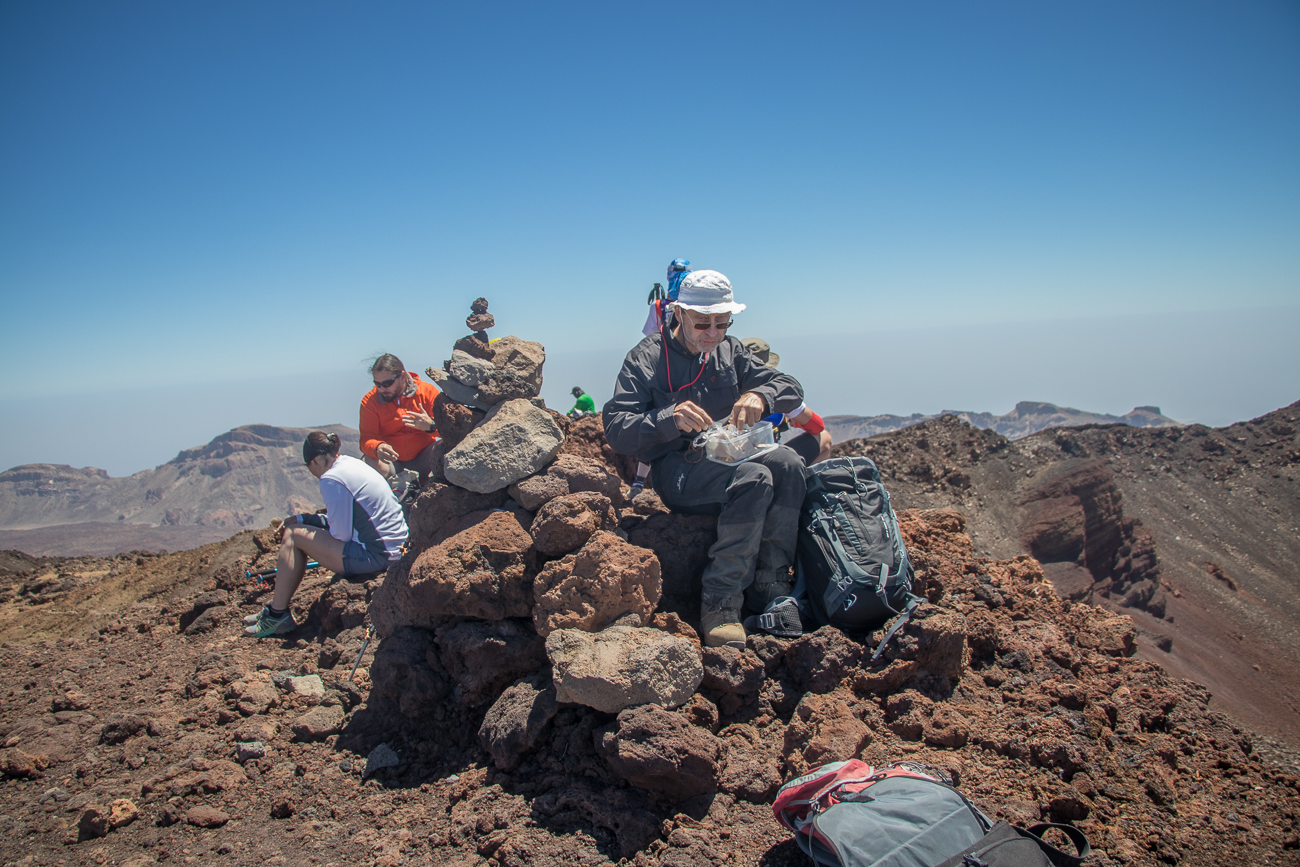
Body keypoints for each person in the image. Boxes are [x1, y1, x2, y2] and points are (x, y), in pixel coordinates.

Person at [604, 269, 808, 648]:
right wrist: (668, 418)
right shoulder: (646, 358)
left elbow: (792, 387)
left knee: (789, 464)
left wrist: (762, 397)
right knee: (754, 479)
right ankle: (721, 604)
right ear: (679, 313)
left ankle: (771, 585)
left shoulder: (730, 351)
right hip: (676, 470)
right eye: (703, 324)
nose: (713, 333)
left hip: (726, 456)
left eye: (722, 323)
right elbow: (617, 428)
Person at [244, 431, 409, 638]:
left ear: (316, 461)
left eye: (309, 466)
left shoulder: (331, 479)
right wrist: (306, 519)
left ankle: (277, 616)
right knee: (298, 529)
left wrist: (308, 531)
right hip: (397, 549)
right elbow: (345, 521)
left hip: (376, 556)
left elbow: (341, 535)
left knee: (293, 536)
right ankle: (276, 609)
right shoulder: (350, 464)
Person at [740, 337, 832, 465]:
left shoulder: (723, 389)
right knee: (825, 437)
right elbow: (817, 426)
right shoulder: (777, 393)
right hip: (770, 461)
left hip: (731, 461)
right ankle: (799, 480)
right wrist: (792, 419)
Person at [359, 354, 441, 484]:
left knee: (446, 449)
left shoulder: (427, 392)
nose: (382, 389)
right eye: (377, 384)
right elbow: (366, 439)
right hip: (392, 463)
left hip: (425, 458)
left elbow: (449, 432)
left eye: (387, 383)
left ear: (402, 376)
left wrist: (431, 426)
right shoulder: (370, 401)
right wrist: (377, 447)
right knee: (367, 462)